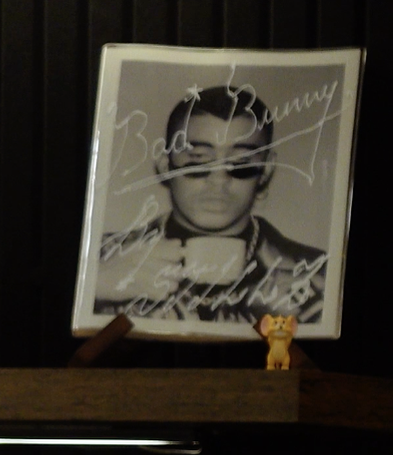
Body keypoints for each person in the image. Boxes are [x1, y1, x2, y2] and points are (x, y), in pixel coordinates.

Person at [93, 84, 327, 324]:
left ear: (266, 171)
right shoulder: (100, 259)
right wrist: (95, 286)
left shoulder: (318, 275)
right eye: (199, 160)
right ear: (166, 166)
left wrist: (290, 329)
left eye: (240, 162)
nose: (219, 180)